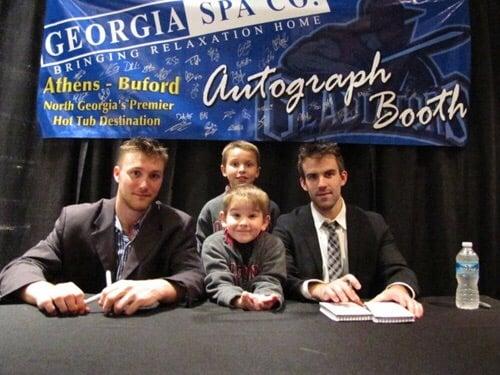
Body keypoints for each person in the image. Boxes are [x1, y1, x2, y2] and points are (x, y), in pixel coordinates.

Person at [0, 138, 205, 316]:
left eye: (154, 176)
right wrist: (42, 290)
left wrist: (158, 288)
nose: (144, 185)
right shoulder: (76, 219)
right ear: (117, 174)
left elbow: (195, 276)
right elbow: (18, 268)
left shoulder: (177, 224)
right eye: (136, 173)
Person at [273, 142, 423, 317]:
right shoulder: (288, 224)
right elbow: (282, 276)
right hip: (310, 322)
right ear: (303, 183)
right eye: (313, 177)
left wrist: (399, 289)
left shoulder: (373, 223)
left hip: (363, 324)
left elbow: (398, 270)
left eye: (329, 174)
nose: (321, 184)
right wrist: (320, 288)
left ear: (343, 177)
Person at [202, 185, 285, 311]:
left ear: (265, 222)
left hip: (263, 317)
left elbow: (271, 279)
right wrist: (239, 300)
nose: (243, 223)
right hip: (226, 313)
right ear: (223, 219)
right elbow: (218, 282)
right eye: (236, 215)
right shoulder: (212, 244)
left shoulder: (273, 245)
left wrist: (264, 298)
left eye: (252, 216)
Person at [196, 140, 280, 252]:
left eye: (249, 165)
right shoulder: (211, 208)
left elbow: (275, 248)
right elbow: (200, 250)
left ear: (257, 171)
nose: (242, 170)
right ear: (223, 170)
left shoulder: (270, 207)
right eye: (235, 164)